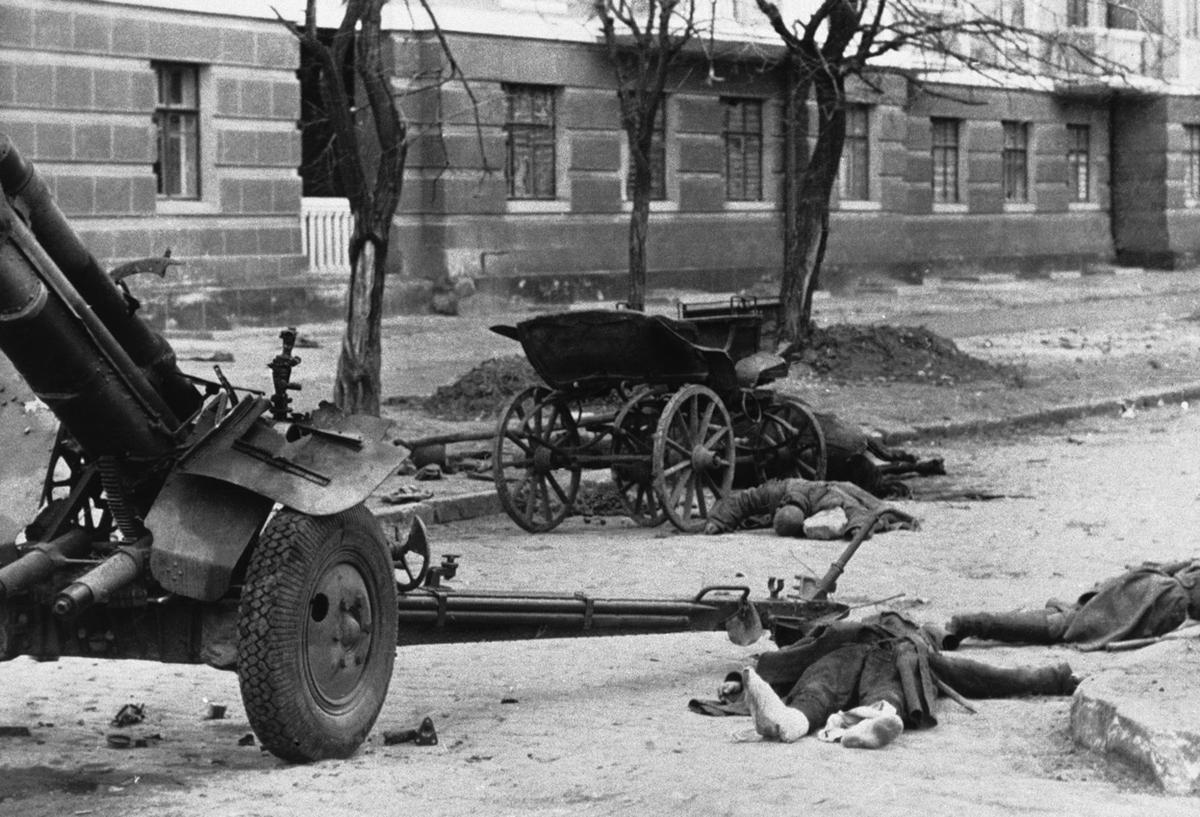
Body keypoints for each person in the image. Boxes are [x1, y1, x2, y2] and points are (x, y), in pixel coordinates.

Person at [689, 611, 1079, 749]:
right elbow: (806, 647)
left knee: (867, 687)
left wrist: (1054, 677)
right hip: (851, 651)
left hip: (887, 660)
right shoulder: (871, 635)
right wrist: (741, 683)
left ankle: (866, 721)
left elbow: (979, 675)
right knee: (820, 680)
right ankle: (793, 721)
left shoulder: (918, 648)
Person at [944, 559, 1200, 651]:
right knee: (1066, 626)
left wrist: (1133, 575)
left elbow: (1176, 564)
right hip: (1162, 603)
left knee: (1072, 615)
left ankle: (974, 623)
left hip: (1150, 584)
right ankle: (973, 624)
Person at [702, 477, 918, 539]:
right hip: (797, 485)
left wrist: (856, 529)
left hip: (836, 487)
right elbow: (743, 501)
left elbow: (855, 512)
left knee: (878, 509)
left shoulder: (827, 500)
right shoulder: (776, 492)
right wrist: (719, 522)